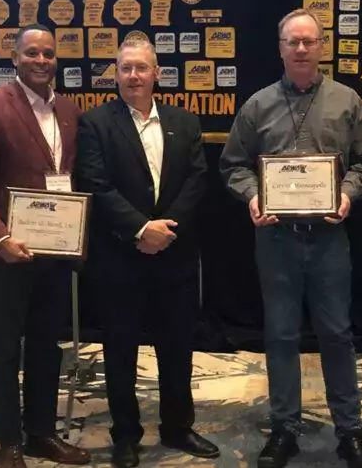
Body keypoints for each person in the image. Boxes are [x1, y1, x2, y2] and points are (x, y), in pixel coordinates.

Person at [220, 8, 362, 468]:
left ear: (321, 47)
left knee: (336, 334)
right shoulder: (257, 105)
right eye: (292, 41)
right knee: (280, 335)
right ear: (280, 48)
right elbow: (232, 165)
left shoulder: (346, 100)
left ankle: (349, 431)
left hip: (330, 239)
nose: (301, 49)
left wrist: (348, 195)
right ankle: (285, 428)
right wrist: (253, 196)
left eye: (309, 41)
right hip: (276, 240)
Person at [76, 39, 220, 468]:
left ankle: (178, 426)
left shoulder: (184, 121)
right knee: (120, 350)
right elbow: (96, 185)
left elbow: (197, 180)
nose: (133, 76)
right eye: (125, 69)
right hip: (120, 256)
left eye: (141, 68)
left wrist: (165, 230)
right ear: (115, 74)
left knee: (177, 347)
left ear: (157, 73)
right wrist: (140, 228)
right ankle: (126, 436)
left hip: (173, 256)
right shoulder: (96, 123)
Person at [0, 25, 90, 468]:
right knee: (6, 348)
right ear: (14, 58)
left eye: (48, 53)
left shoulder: (70, 111)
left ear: (56, 60)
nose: (40, 60)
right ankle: (7, 440)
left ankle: (41, 433)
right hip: (7, 252)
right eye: (31, 52)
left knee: (46, 346)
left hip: (52, 251)